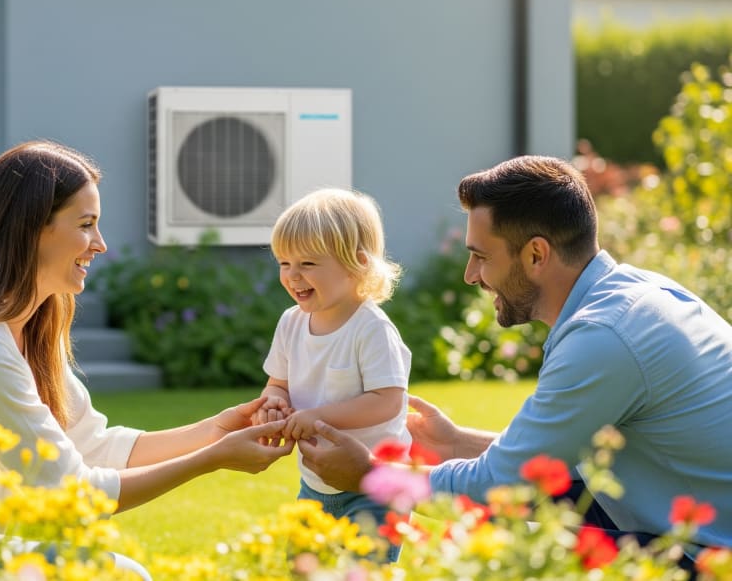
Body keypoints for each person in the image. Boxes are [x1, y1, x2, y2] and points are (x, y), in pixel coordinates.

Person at [0, 140, 293, 575]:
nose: (100, 245)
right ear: (31, 229)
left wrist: (215, 430)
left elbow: (94, 446)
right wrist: (211, 459)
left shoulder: (24, 333)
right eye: (86, 225)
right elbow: (73, 494)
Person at [299, 155, 732, 563]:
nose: (471, 275)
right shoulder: (630, 297)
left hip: (710, 555)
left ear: (536, 255)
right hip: (689, 522)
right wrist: (454, 444)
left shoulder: (603, 337)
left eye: (481, 256)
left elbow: (500, 484)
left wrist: (369, 476)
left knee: (528, 555)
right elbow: (551, 465)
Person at [251, 188, 412, 559]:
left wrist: (316, 417)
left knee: (362, 569)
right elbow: (279, 384)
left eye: (307, 264)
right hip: (316, 485)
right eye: (283, 263)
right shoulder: (292, 323)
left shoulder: (370, 328)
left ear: (357, 263)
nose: (292, 276)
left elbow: (387, 401)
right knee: (302, 567)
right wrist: (273, 405)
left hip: (372, 488)